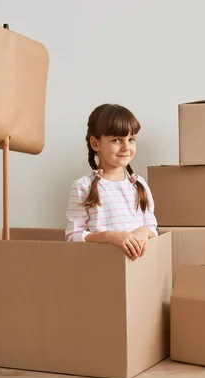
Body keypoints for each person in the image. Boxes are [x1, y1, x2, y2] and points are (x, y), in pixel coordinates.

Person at [65, 103, 158, 260]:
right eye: (116, 140)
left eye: (131, 139)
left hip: (138, 269)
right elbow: (74, 236)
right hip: (102, 267)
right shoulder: (83, 187)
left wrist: (143, 231)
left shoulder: (139, 185)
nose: (126, 147)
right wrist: (111, 236)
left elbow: (152, 229)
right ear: (95, 143)